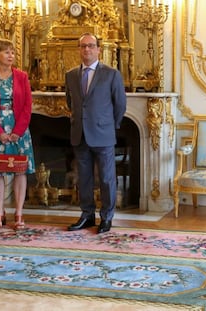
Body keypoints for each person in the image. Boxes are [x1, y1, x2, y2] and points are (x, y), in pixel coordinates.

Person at [65, 33, 126, 234]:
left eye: (91, 46)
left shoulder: (111, 74)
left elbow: (120, 105)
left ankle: (106, 217)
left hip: (103, 134)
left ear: (99, 49)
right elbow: (71, 103)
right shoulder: (71, 75)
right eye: (83, 46)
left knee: (107, 178)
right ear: (79, 49)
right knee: (84, 178)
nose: (87, 50)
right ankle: (87, 215)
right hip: (79, 134)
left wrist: (110, 126)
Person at [0, 39, 36, 230]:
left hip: (19, 129)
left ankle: (18, 214)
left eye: (12, 52)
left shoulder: (22, 76)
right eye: (6, 52)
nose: (11, 55)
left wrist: (17, 131)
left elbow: (28, 106)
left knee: (20, 170)